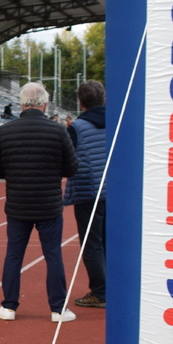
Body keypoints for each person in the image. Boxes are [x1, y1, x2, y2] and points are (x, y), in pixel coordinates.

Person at [0, 81, 79, 322]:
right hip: (49, 204)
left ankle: (9, 306)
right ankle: (58, 309)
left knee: (14, 255)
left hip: (18, 204)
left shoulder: (5, 131)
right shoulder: (58, 130)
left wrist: (16, 172)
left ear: (21, 104)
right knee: (53, 255)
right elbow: (72, 167)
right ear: (45, 104)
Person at [63, 81, 107, 309]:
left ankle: (100, 292)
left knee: (92, 243)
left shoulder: (76, 128)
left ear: (80, 102)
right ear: (104, 99)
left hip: (88, 191)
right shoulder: (117, 123)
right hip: (114, 192)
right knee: (110, 241)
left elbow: (66, 159)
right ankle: (113, 287)